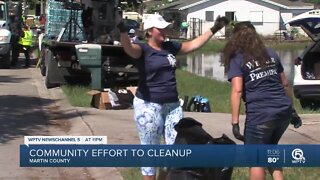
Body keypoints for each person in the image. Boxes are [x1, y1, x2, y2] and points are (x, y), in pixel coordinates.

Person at [117, 14, 229, 180]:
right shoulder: (143, 49)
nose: (164, 30)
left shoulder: (170, 47)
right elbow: (129, 49)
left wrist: (214, 29)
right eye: (160, 28)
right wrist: (123, 33)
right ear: (149, 31)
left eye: (165, 27)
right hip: (149, 106)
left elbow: (192, 45)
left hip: (173, 106)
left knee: (175, 152)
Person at [221, 21, 300, 180]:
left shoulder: (237, 58)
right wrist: (291, 110)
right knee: (270, 150)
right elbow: (284, 84)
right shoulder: (270, 53)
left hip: (260, 115)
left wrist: (235, 123)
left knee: (256, 158)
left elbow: (237, 90)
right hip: (282, 111)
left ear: (235, 38)